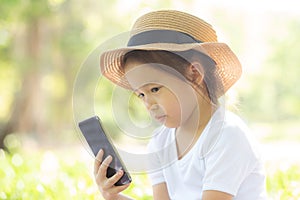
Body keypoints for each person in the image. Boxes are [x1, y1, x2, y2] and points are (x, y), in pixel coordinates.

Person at [94, 10, 267, 200]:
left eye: (154, 89)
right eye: (140, 94)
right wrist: (113, 197)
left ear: (194, 74)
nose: (148, 104)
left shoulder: (226, 135)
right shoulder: (160, 142)